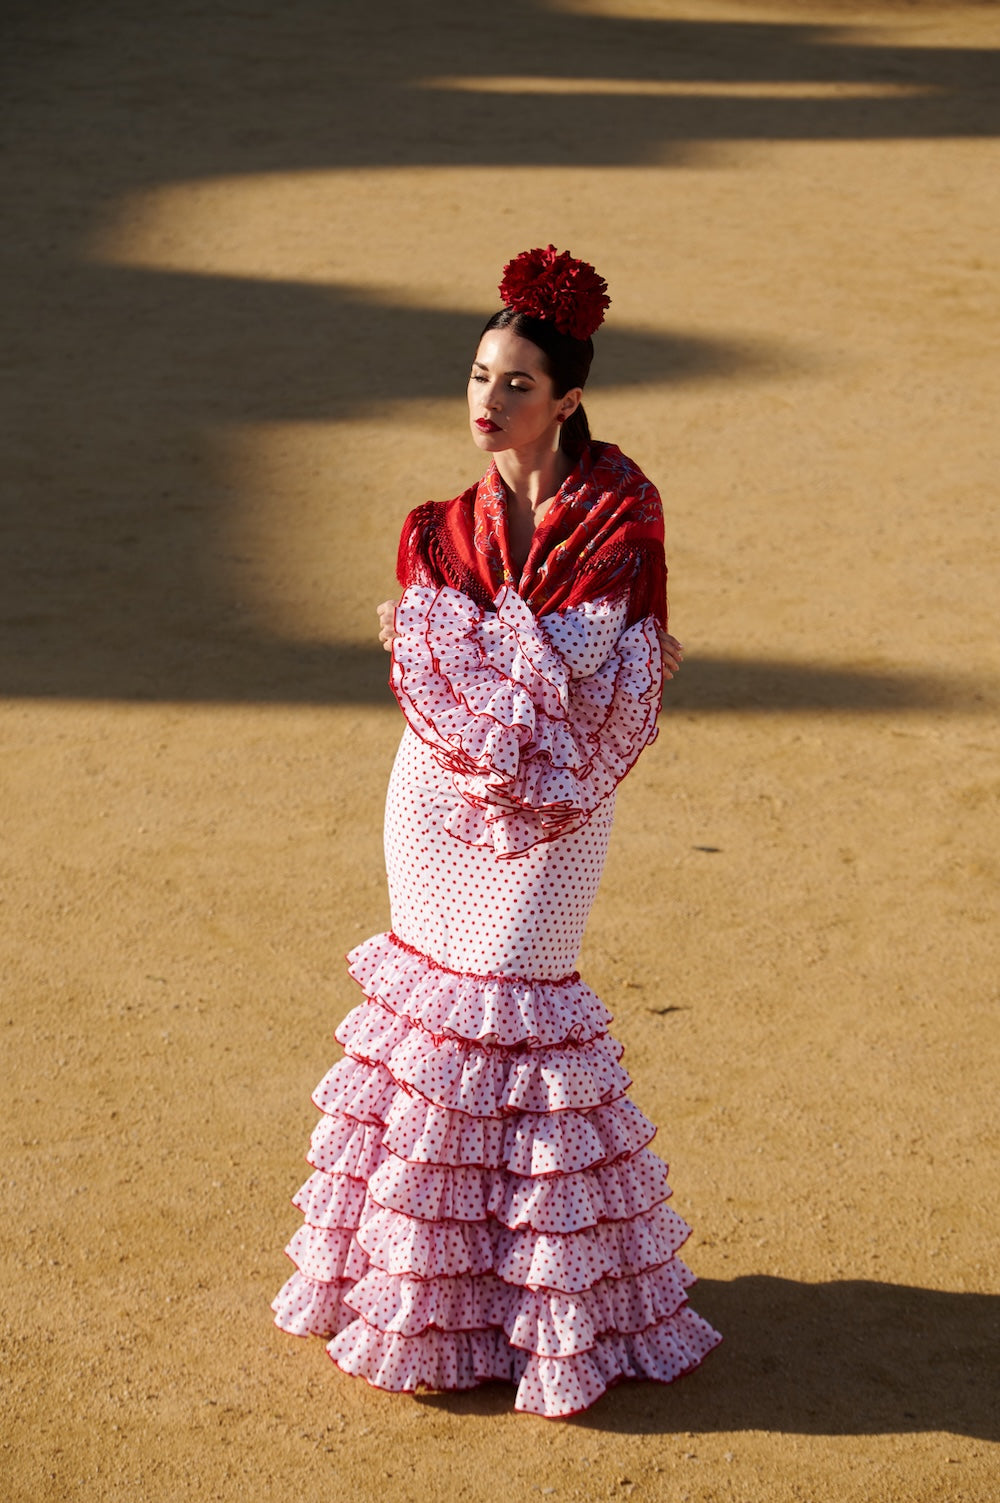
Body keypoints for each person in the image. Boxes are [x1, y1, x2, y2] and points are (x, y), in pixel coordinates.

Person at [272, 247, 722, 1417]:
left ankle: (548, 1314)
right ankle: (427, 1300)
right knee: (429, 1018)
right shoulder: (436, 526)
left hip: (556, 807)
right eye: (477, 376)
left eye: (516, 383)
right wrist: (512, 664)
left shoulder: (621, 507)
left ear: (568, 397)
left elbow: (576, 673)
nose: (488, 401)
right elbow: (547, 666)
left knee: (522, 1015)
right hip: (431, 797)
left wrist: (473, 648)